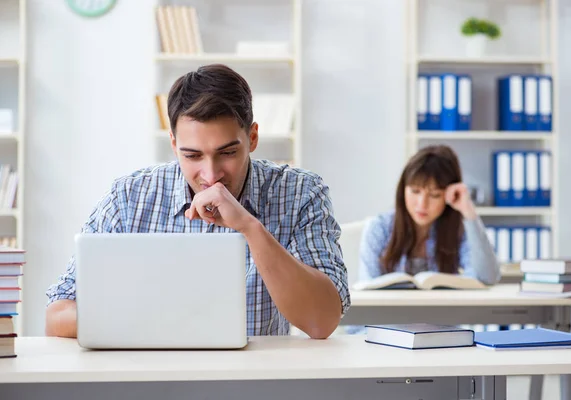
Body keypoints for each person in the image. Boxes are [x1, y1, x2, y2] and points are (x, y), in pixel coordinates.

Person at [45, 64, 350, 339]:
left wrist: (248, 227)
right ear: (174, 144)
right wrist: (144, 319)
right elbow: (57, 316)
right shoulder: (129, 197)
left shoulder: (300, 192)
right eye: (192, 156)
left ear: (253, 137)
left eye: (228, 153)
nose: (211, 174)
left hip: (253, 384)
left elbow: (321, 322)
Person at [358, 144, 500, 284]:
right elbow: (368, 286)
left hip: (443, 307)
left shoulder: (457, 230)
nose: (422, 204)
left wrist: (468, 210)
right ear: (403, 190)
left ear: (448, 195)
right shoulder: (379, 227)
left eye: (434, 195)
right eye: (415, 191)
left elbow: (488, 277)